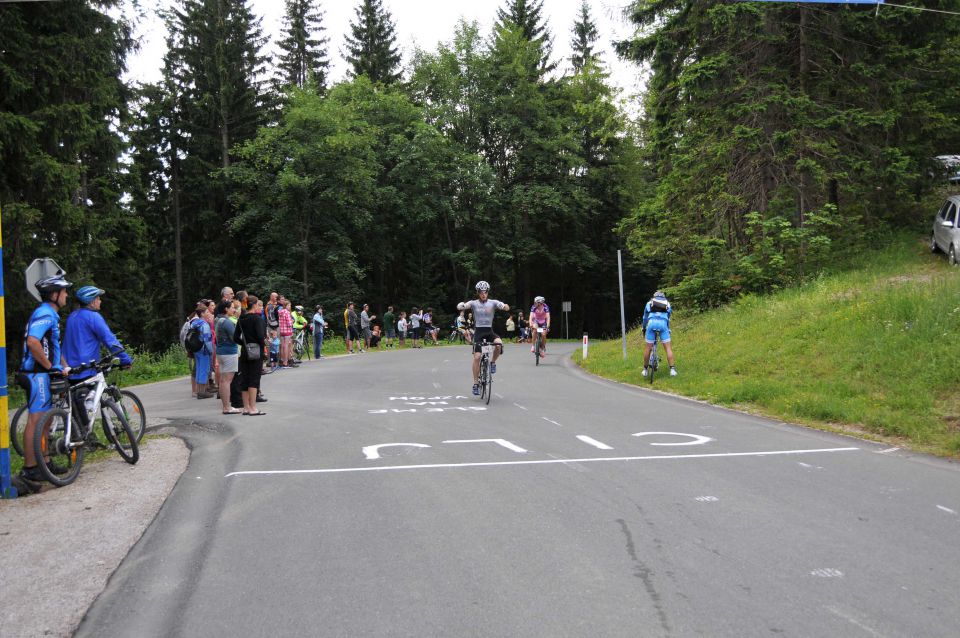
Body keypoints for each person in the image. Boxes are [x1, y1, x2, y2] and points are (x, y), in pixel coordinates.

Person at [17, 275, 72, 484]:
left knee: (46, 420)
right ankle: (31, 468)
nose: (67, 295)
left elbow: (52, 345)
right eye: (64, 291)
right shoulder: (45, 314)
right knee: (37, 420)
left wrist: (62, 365)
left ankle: (45, 463)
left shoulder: (50, 314)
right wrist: (50, 368)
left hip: (42, 372)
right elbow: (33, 342)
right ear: (54, 295)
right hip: (36, 374)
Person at [63, 285, 135, 432]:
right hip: (86, 368)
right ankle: (88, 435)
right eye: (98, 298)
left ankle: (84, 437)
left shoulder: (73, 316)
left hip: (69, 368)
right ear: (91, 301)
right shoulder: (93, 317)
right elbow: (110, 340)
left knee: (78, 405)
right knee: (87, 400)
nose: (100, 301)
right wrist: (125, 359)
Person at [457, 281, 510, 396]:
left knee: (499, 344)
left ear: (488, 292)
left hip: (489, 331)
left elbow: (504, 306)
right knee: (477, 357)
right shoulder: (474, 303)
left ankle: (492, 363)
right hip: (479, 332)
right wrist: (461, 305)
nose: (483, 294)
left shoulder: (493, 302)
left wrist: (505, 307)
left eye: (485, 292)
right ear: (478, 293)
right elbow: (464, 306)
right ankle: (476, 383)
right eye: (481, 292)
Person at [234, 295, 267, 415]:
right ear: (253, 305)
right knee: (254, 379)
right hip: (255, 352)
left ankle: (246, 407)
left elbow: (235, 337)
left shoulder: (241, 319)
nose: (260, 307)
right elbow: (260, 336)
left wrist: (244, 344)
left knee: (245, 379)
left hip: (244, 352)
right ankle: (253, 408)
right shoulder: (257, 319)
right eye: (258, 305)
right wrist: (263, 349)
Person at [641, 290, 677, 377]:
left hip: (652, 323)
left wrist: (644, 328)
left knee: (648, 348)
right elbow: (667, 318)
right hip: (663, 324)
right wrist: (667, 329)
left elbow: (645, 318)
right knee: (668, 348)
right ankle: (672, 370)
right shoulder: (667, 304)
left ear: (654, 297)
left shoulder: (649, 303)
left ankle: (645, 370)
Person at [215, 300, 242, 414]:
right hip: (229, 352)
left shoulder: (218, 319)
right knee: (227, 381)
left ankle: (226, 406)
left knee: (222, 380)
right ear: (226, 309)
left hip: (221, 352)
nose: (234, 310)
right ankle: (227, 407)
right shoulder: (227, 322)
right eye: (232, 307)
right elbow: (235, 337)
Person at [190, 303, 215, 399]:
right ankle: (202, 392)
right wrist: (211, 350)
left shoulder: (194, 323)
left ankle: (199, 391)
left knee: (199, 369)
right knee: (204, 370)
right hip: (204, 350)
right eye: (207, 312)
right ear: (202, 313)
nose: (209, 313)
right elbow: (207, 339)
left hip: (196, 349)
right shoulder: (204, 325)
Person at [277, 299, 293, 367]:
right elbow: (289, 324)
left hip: (282, 331)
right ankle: (286, 362)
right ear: (285, 305)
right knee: (286, 346)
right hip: (287, 331)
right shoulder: (287, 312)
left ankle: (282, 360)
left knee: (283, 346)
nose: (289, 306)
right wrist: (292, 321)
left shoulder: (280, 312)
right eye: (289, 305)